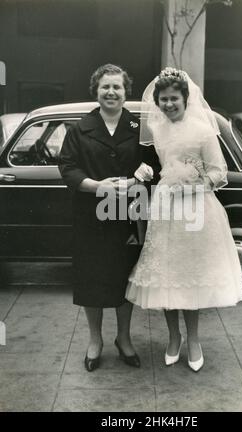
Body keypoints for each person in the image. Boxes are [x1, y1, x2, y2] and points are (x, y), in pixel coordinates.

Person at [126, 67, 242, 372]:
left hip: (196, 206)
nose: (168, 104)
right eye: (163, 99)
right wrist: (147, 173)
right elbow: (154, 162)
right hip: (166, 205)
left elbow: (219, 172)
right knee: (167, 274)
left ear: (185, 97)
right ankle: (173, 337)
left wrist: (194, 185)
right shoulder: (157, 128)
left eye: (173, 98)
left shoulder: (203, 130)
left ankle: (193, 339)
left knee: (190, 274)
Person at [58, 64, 156, 372]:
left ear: (126, 92)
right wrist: (96, 186)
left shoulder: (139, 128)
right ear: (96, 91)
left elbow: (154, 164)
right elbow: (68, 167)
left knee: (125, 277)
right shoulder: (79, 129)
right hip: (92, 214)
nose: (111, 92)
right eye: (105, 87)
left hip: (129, 214)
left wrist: (144, 174)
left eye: (117, 87)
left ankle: (124, 339)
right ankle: (95, 340)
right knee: (92, 278)